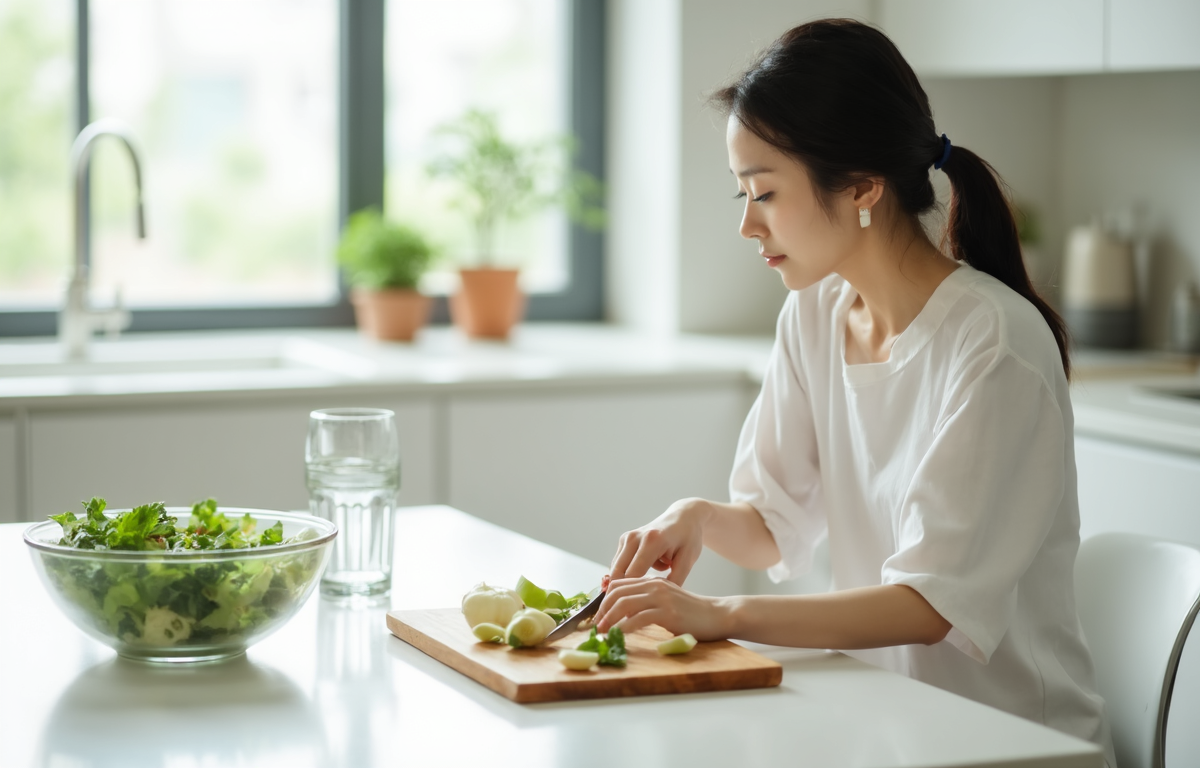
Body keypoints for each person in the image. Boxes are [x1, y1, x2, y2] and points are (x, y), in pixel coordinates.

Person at [593, 18, 1115, 762]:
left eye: (764, 193)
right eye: (742, 193)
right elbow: (775, 523)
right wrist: (698, 518)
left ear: (865, 186)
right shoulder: (813, 311)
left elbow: (929, 604)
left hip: (1013, 745)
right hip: (887, 727)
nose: (747, 224)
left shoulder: (995, 344)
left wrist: (714, 613)